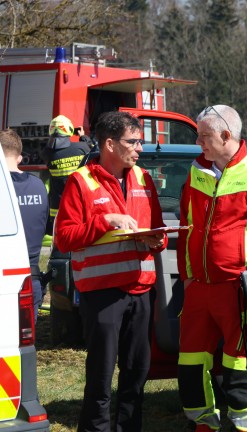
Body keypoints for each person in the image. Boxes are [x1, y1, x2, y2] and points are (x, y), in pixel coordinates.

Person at [54, 111, 167, 432]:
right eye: (133, 142)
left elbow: (155, 231)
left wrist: (155, 238)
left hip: (141, 291)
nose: (140, 149)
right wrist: (106, 221)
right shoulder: (81, 182)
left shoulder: (145, 179)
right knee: (102, 377)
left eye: (140, 141)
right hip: (102, 295)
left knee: (137, 373)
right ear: (109, 144)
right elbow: (64, 237)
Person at [177, 104, 247, 432]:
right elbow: (188, 226)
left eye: (204, 136)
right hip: (199, 288)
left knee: (240, 366)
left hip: (238, 289)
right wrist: (187, 278)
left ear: (226, 136)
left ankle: (244, 428)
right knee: (190, 365)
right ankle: (203, 425)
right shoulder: (196, 172)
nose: (200, 143)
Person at [0, 128, 48, 320]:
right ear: (20, 157)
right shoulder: (38, 186)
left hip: (4, 277)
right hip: (31, 279)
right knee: (24, 347)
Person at [40, 114, 92, 235]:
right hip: (78, 202)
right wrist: (83, 136)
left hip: (57, 207)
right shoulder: (82, 147)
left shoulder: (47, 153)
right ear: (69, 129)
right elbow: (93, 149)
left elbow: (55, 149)